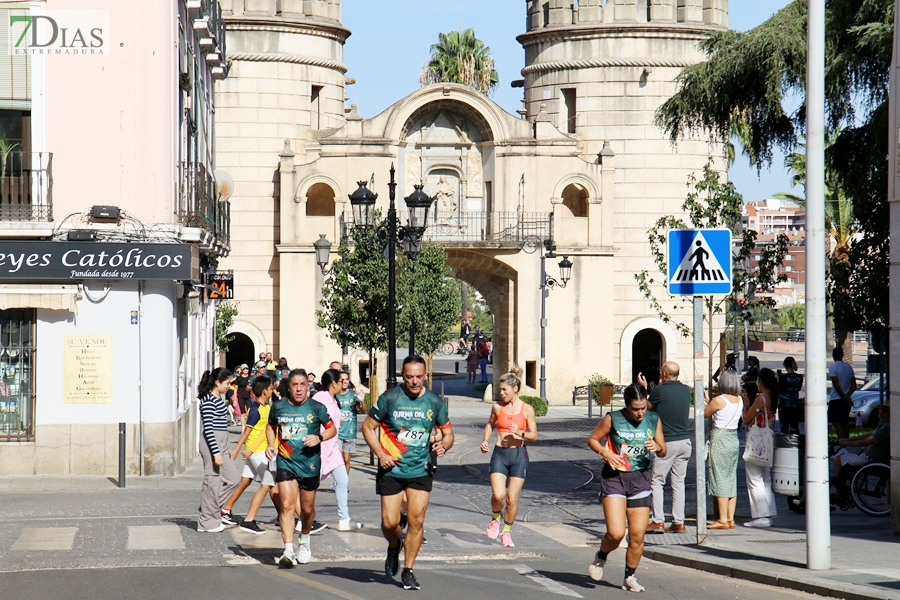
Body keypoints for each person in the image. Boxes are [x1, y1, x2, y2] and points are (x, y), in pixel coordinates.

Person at [361, 355, 454, 591]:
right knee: (389, 522)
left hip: (420, 468)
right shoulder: (391, 398)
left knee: (417, 519)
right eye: (410, 377)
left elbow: (448, 432)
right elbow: (368, 427)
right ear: (403, 376)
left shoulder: (434, 401)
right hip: (391, 468)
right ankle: (394, 546)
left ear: (425, 376)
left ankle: (409, 570)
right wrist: (381, 454)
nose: (414, 381)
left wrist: (445, 444)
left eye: (419, 377)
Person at [587, 383, 666, 593]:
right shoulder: (613, 418)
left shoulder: (653, 418)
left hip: (640, 479)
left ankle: (629, 577)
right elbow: (593, 440)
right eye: (635, 409)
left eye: (643, 408)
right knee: (616, 533)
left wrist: (656, 447)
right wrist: (606, 453)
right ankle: (601, 556)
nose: (640, 413)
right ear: (627, 406)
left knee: (638, 535)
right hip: (614, 478)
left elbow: (663, 449)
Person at [265, 369, 337, 567]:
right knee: (287, 505)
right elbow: (271, 427)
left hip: (310, 463)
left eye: (302, 385)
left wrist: (319, 437)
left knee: (306, 510)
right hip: (286, 461)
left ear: (308, 387)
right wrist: (271, 445)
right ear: (288, 387)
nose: (298, 389)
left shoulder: (317, 407)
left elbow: (332, 428)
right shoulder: (278, 406)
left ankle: (304, 539)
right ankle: (288, 550)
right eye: (294, 385)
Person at [480, 366, 538, 547]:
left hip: (519, 456)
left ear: (515, 389)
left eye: (504, 389)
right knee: (498, 495)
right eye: (500, 389)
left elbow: (534, 435)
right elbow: (490, 425)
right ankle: (495, 518)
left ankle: (507, 531)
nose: (501, 393)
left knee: (512, 499)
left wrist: (521, 433)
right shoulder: (497, 408)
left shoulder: (527, 409)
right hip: (500, 455)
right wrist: (485, 440)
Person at [639, 361, 691, 533]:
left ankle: (658, 520)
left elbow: (646, 407)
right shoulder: (685, 390)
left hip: (666, 443)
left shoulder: (659, 391)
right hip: (685, 442)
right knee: (678, 482)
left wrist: (645, 389)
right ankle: (679, 521)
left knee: (657, 481)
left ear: (664, 374)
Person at [221, 375, 277, 534]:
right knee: (271, 484)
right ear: (265, 391)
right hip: (256, 451)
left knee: (245, 481)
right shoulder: (256, 409)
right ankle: (283, 515)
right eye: (271, 388)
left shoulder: (266, 406)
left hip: (256, 450)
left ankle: (226, 509)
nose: (273, 390)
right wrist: (238, 449)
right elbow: (247, 430)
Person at [313, 369, 362, 532]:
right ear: (334, 383)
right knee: (310, 486)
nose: (344, 383)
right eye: (341, 381)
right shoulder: (320, 397)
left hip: (332, 448)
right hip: (319, 447)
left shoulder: (335, 401)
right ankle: (302, 518)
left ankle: (344, 519)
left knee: (342, 480)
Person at [197, 367, 239, 533]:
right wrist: (216, 452)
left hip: (221, 443)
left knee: (233, 478)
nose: (229, 386)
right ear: (217, 382)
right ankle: (207, 521)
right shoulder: (208, 401)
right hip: (211, 444)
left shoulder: (218, 399)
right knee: (212, 481)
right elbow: (208, 428)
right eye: (227, 383)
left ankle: (210, 509)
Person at [704, 369, 743, 529]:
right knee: (730, 478)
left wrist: (706, 402)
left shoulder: (719, 399)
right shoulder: (739, 399)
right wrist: (709, 401)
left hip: (719, 440)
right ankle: (730, 518)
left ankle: (722, 519)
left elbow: (705, 414)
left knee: (719, 478)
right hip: (733, 440)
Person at [741, 367, 779, 528]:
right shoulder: (773, 398)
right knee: (766, 478)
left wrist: (745, 404)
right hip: (768, 441)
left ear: (761, 382)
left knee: (754, 478)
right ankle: (768, 512)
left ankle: (760, 515)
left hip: (756, 443)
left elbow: (746, 418)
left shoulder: (761, 399)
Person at [832, 404, 890, 489]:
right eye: (880, 411)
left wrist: (846, 443)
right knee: (844, 458)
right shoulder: (886, 425)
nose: (880, 414)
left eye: (883, 412)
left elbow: (866, 442)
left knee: (838, 459)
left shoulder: (887, 427)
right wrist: (848, 440)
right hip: (870, 456)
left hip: (871, 458)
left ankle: (840, 491)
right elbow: (871, 435)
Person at [337, 370, 366, 480]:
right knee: (338, 459)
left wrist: (362, 401)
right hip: (337, 431)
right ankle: (338, 481)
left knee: (346, 460)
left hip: (350, 430)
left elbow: (364, 411)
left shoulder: (353, 395)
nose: (344, 382)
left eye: (346, 379)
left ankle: (344, 482)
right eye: (342, 380)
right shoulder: (335, 395)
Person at [828, 347, 856, 441]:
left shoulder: (833, 367)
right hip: (846, 400)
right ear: (842, 355)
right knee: (845, 422)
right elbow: (854, 385)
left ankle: (842, 443)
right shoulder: (848, 367)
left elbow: (836, 383)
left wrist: (843, 396)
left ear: (833, 356)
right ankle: (847, 442)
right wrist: (847, 395)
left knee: (837, 422)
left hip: (836, 399)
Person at [778, 357, 804, 434]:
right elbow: (798, 388)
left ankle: (786, 444)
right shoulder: (799, 377)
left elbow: (779, 389)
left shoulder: (783, 378)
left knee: (784, 428)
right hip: (795, 405)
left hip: (784, 405)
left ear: (785, 365)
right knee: (795, 427)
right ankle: (795, 443)